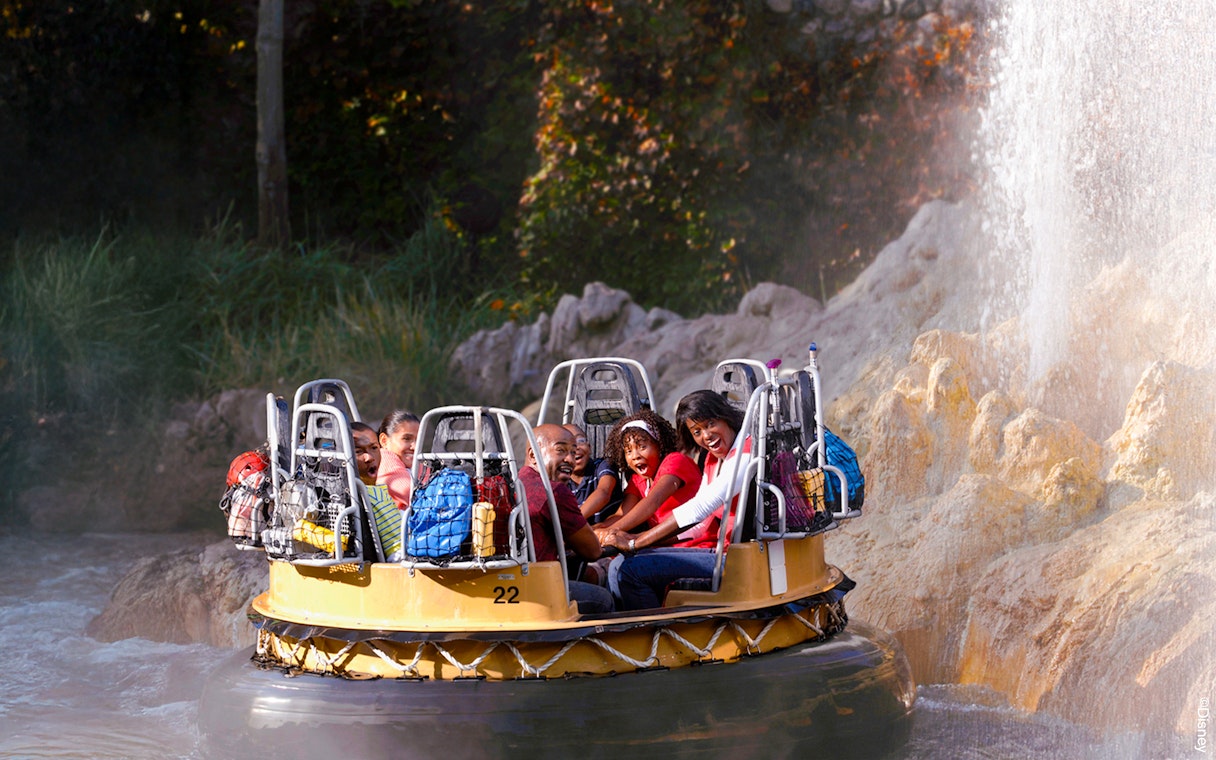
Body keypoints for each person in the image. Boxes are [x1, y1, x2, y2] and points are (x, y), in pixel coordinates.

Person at [600, 390, 753, 610]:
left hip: (736, 558)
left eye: (711, 424)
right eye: (697, 431)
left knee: (632, 571)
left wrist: (636, 542)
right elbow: (700, 525)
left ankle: (655, 634)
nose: (706, 436)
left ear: (726, 417)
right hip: (722, 550)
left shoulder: (745, 453)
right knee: (619, 565)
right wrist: (639, 539)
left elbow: (700, 507)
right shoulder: (713, 459)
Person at [521, 424, 615, 615]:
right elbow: (592, 551)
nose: (570, 460)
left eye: (573, 452)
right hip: (540, 590)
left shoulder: (516, 481)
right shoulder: (554, 491)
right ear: (533, 455)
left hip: (516, 584)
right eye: (561, 450)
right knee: (604, 598)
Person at [596, 409, 700, 537]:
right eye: (628, 451)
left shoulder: (676, 461)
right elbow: (622, 515)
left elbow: (653, 501)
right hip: (661, 547)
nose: (635, 456)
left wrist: (610, 532)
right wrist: (595, 530)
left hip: (696, 545)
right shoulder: (637, 479)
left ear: (659, 445)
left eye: (642, 447)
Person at [352, 421, 404, 561]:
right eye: (358, 452)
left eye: (374, 448)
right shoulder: (371, 496)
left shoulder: (378, 491)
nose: (369, 457)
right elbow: (398, 549)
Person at [562, 423, 622, 524]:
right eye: (566, 445)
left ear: (589, 447)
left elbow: (603, 493)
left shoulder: (602, 465)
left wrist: (574, 523)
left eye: (580, 441)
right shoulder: (561, 482)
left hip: (610, 531)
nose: (576, 448)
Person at [377, 410, 419, 509]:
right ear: (384, 441)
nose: (415, 446)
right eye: (406, 439)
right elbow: (411, 494)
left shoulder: (416, 464)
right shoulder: (384, 458)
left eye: (419, 439)